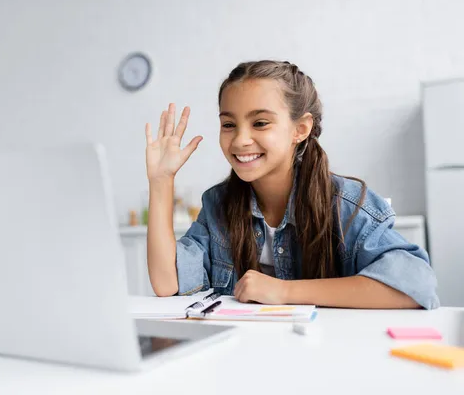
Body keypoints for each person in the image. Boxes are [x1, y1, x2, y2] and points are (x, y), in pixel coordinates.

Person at [144, 60, 438, 310]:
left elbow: (415, 283)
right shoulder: (218, 205)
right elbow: (167, 282)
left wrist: (284, 292)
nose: (240, 139)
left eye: (260, 123)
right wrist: (161, 182)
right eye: (229, 124)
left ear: (300, 129)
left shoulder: (346, 204)